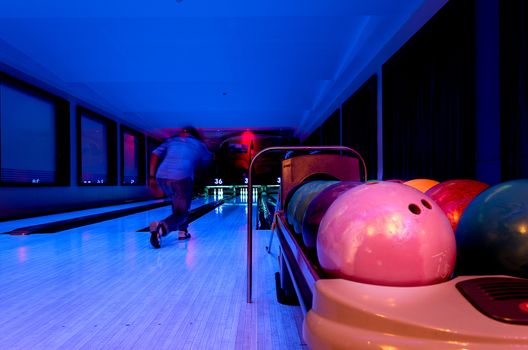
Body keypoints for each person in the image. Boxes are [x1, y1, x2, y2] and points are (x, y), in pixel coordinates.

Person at [148, 126, 212, 248]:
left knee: (178, 204)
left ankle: (183, 231)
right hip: (181, 179)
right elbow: (207, 160)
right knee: (181, 213)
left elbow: (154, 154)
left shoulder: (171, 140)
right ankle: (161, 227)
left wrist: (151, 177)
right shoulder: (199, 144)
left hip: (161, 178)